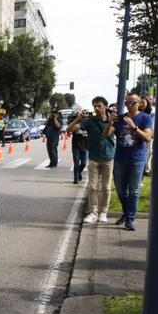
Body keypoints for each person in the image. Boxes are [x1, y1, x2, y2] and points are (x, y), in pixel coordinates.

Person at [66, 96, 116, 224]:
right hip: (93, 158)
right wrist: (78, 118)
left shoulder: (114, 120)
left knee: (106, 187)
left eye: (99, 106)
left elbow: (109, 133)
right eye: (94, 106)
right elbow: (69, 130)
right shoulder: (89, 121)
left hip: (108, 158)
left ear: (105, 106)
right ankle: (93, 212)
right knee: (92, 187)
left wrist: (110, 122)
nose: (97, 108)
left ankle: (103, 212)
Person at [110, 92, 154, 231]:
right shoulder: (120, 118)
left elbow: (147, 137)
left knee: (134, 191)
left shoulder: (145, 118)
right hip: (120, 159)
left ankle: (130, 218)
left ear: (139, 103)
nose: (129, 105)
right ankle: (126, 213)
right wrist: (110, 122)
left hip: (137, 159)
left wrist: (133, 126)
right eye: (127, 103)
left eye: (133, 102)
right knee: (121, 191)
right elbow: (106, 134)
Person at [70, 115, 88, 184]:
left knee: (84, 163)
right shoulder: (75, 122)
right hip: (76, 146)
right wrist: (77, 119)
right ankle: (75, 179)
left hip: (85, 146)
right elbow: (70, 129)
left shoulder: (88, 123)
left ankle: (78, 173)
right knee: (76, 163)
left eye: (85, 115)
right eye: (82, 114)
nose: (84, 116)